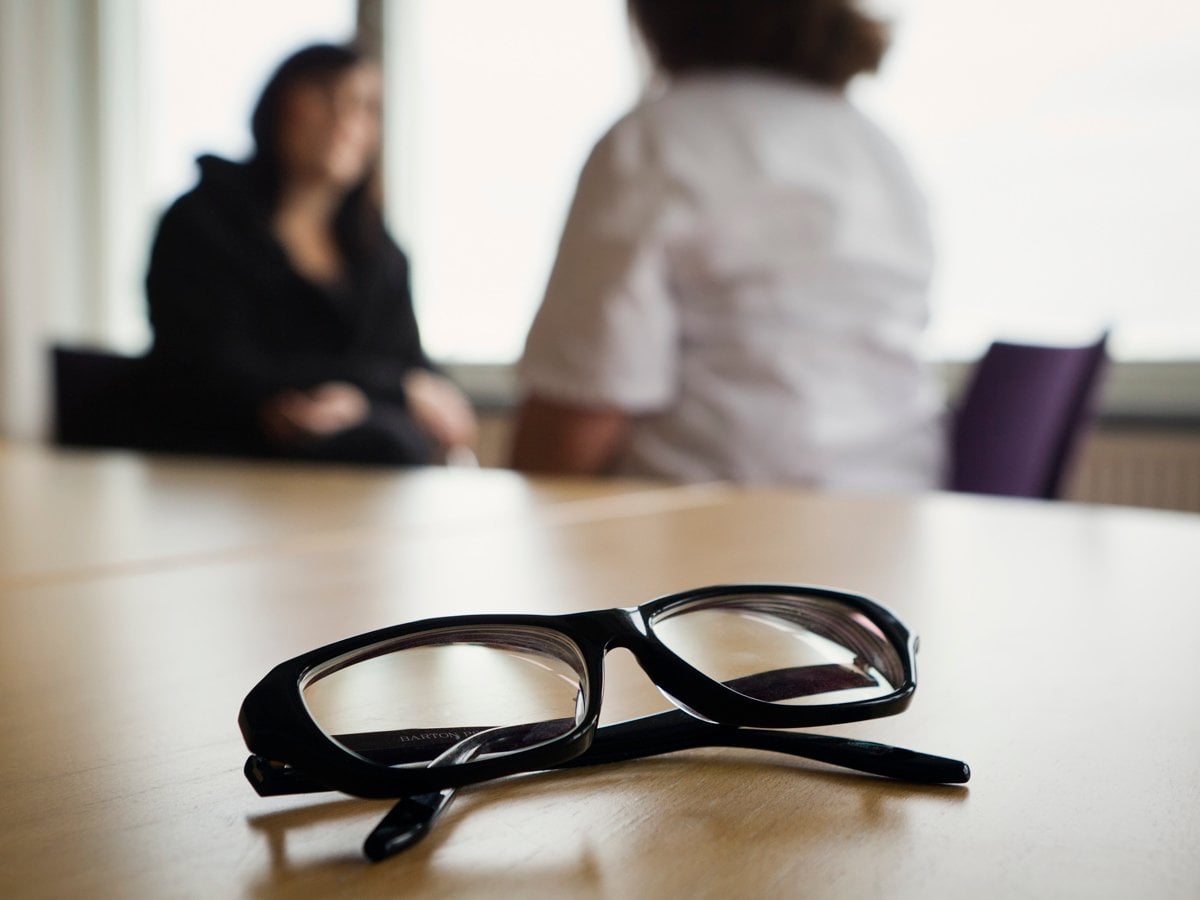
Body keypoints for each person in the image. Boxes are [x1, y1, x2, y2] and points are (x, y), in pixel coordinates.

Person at [511, 0, 944, 490]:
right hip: (898, 510)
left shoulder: (656, 138)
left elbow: (581, 408)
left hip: (711, 515)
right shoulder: (878, 149)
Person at [141, 43, 476, 465]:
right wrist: (380, 390)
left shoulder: (377, 249)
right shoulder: (204, 222)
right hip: (224, 460)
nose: (344, 120)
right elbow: (209, 367)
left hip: (365, 468)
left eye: (365, 106)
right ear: (279, 106)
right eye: (325, 97)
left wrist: (363, 401)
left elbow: (409, 361)